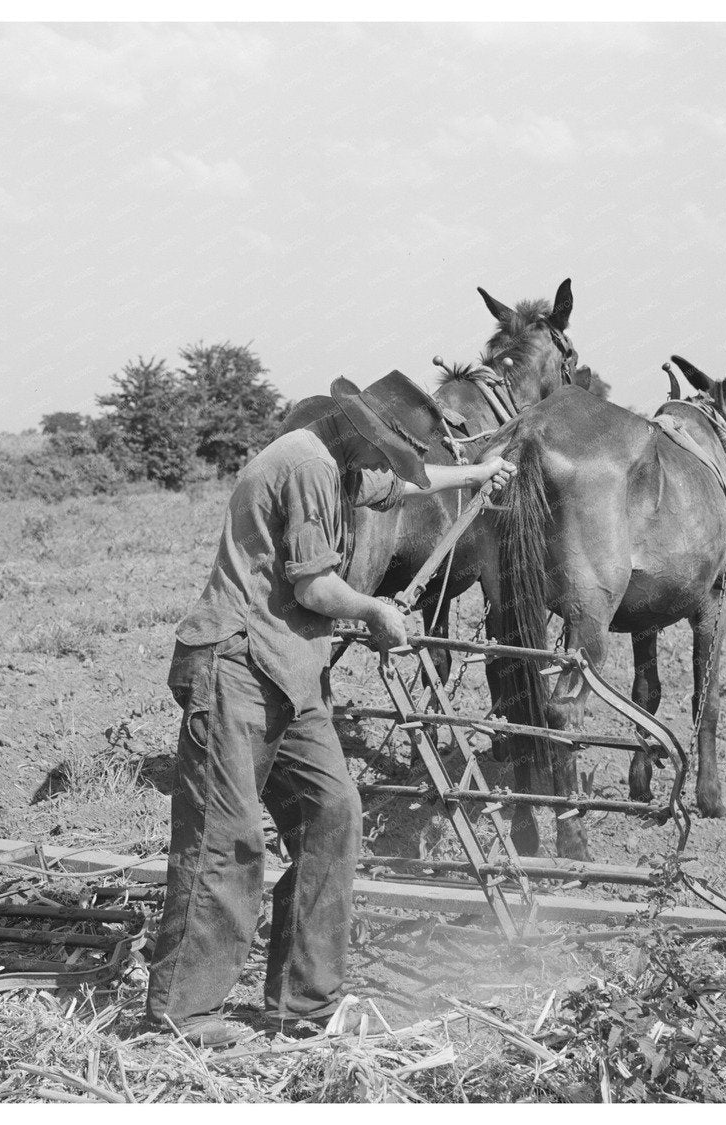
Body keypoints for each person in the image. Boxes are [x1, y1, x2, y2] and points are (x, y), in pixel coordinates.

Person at [145, 370, 517, 1047]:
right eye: (391, 453)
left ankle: (303, 1004)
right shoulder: (305, 463)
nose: (390, 468)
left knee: (334, 813)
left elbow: (402, 486)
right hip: (237, 665)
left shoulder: (344, 465)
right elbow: (314, 585)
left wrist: (475, 473)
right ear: (365, 432)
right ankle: (183, 1010)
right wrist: (374, 607)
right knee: (226, 838)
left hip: (292, 671)